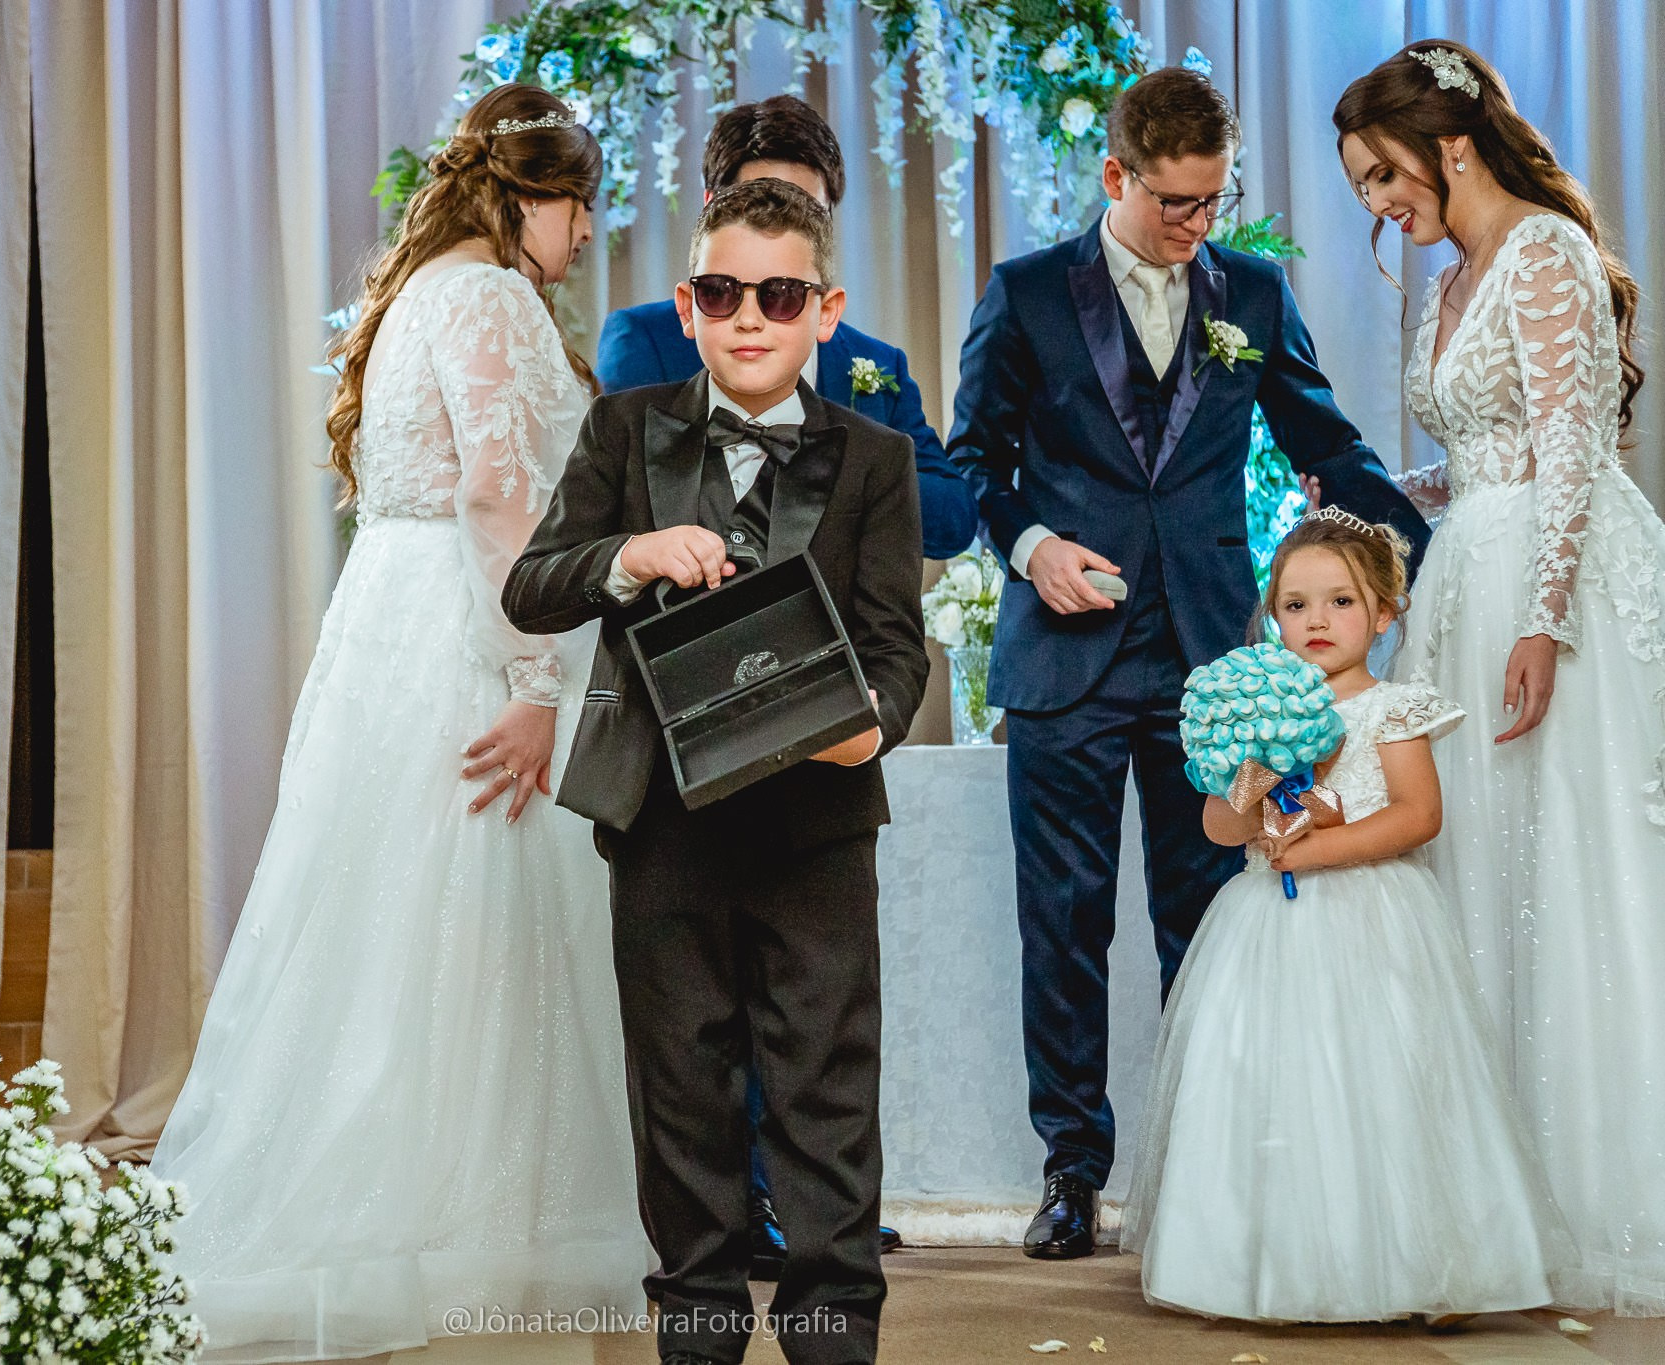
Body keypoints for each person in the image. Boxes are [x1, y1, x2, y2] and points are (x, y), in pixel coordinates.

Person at [148, 84, 647, 1361]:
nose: (586, 236)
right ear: (533, 197)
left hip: (395, 624)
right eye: (581, 208)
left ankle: (427, 1212)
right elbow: (494, 492)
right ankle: (457, 1230)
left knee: (393, 920)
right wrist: (536, 684)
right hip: (467, 634)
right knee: (477, 918)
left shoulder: (420, 287)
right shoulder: (482, 293)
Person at [946, 65, 1429, 1261]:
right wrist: (1034, 544)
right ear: (1114, 176)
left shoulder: (1251, 296)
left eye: (1212, 200)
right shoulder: (1023, 295)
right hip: (1063, 657)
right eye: (1174, 202)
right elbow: (969, 467)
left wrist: (1427, 547)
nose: (1196, 224)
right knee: (1059, 922)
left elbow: (1323, 441)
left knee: (1207, 913)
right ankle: (1071, 1171)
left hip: (1215, 661)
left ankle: (1206, 1168)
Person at [506, 178, 928, 1365]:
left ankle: (832, 1320)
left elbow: (898, 646)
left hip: (816, 819)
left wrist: (872, 725)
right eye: (722, 292)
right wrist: (627, 555)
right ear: (687, 306)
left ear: (824, 310)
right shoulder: (622, 431)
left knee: (823, 1081)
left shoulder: (874, 457)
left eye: (779, 294)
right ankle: (693, 1318)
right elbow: (529, 588)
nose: (750, 316)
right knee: (681, 1083)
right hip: (661, 821)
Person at [1336, 39, 1665, 1315]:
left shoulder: (1541, 250)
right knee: (1477, 872)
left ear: (1447, 143)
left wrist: (1544, 626)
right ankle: (1489, 1206)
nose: (1377, 203)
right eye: (1361, 185)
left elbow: (1572, 449)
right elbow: (1486, 450)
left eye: (1381, 174)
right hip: (1472, 569)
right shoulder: (1452, 278)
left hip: (1552, 581)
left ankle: (1602, 1198)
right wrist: (1380, 495)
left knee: (1571, 869)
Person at [1123, 509, 1578, 1324]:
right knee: (1269, 1083)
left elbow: (1416, 815)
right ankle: (1270, 1259)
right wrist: (1252, 776)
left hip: (1373, 921)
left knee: (1377, 1080)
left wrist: (1322, 839)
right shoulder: (1258, 710)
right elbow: (1220, 828)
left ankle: (1406, 1261)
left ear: (1383, 613)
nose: (1317, 621)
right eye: (1295, 606)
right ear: (1273, 618)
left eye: (1339, 601)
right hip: (1266, 930)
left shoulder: (1389, 708)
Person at [598, 94, 974, 562]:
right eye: (759, 203)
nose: (780, 225)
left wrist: (843, 464)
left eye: (805, 211)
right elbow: (620, 507)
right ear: (711, 206)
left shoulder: (876, 362)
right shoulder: (645, 340)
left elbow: (953, 522)